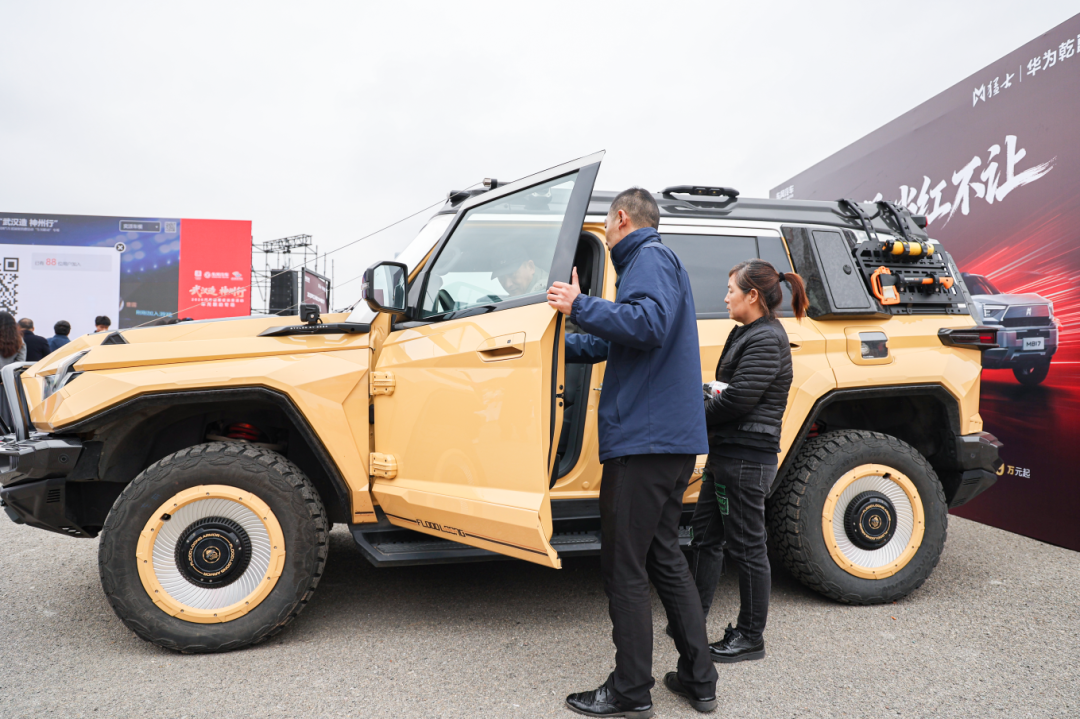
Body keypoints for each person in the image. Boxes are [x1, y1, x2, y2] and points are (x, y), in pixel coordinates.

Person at [548, 188, 717, 717]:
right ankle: (699, 678)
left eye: (605, 221)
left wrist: (580, 304)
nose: (605, 230)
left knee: (624, 566)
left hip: (644, 443)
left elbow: (646, 324)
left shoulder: (648, 257)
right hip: (668, 442)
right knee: (664, 557)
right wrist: (553, 346)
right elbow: (619, 340)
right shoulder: (653, 263)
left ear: (622, 218)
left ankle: (630, 690)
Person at [687, 259, 808, 664]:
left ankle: (750, 636)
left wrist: (691, 415)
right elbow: (724, 389)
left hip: (746, 459)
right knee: (705, 537)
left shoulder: (767, 338)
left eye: (731, 291)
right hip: (727, 454)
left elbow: (737, 399)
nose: (725, 298)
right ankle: (691, 619)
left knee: (748, 549)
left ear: (752, 295)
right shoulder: (744, 332)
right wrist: (707, 393)